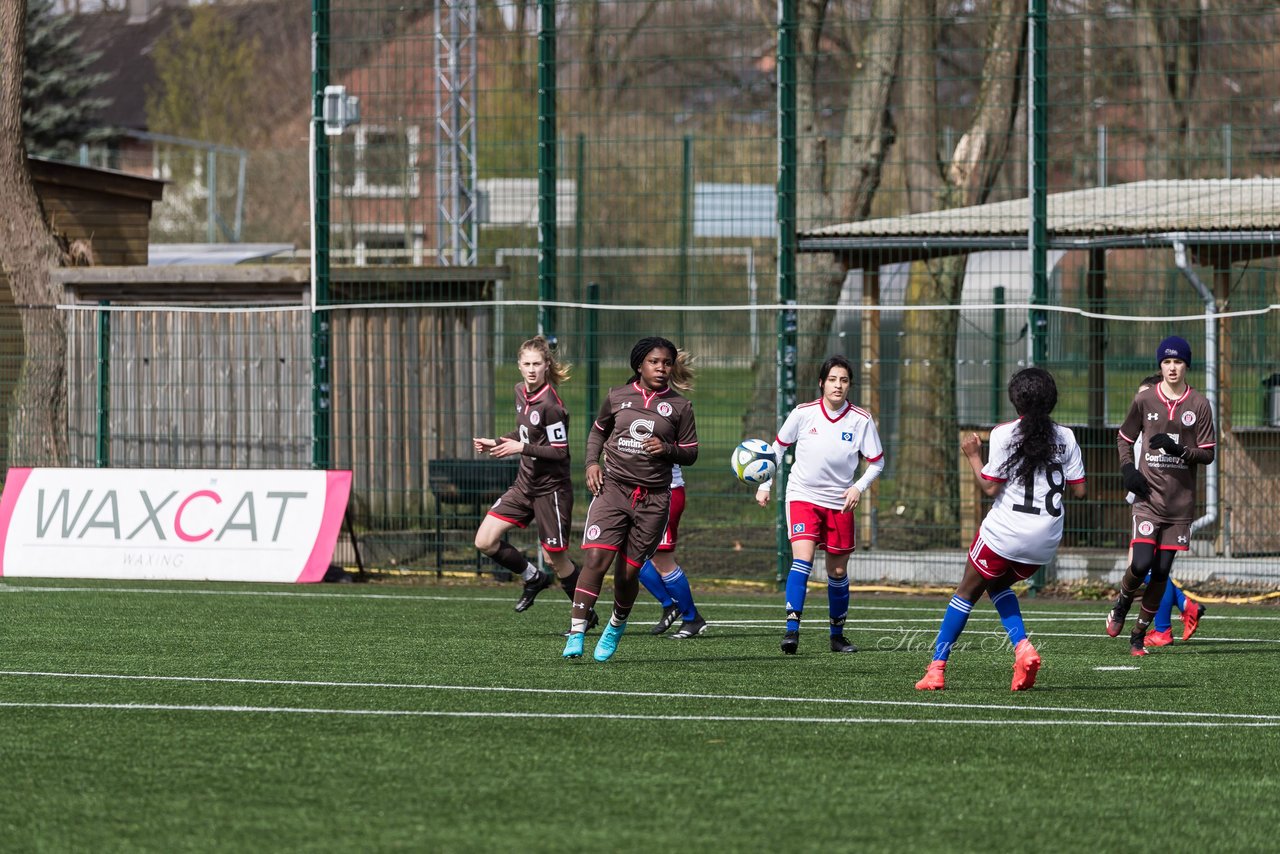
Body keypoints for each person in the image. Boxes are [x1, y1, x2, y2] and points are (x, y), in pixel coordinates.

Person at [915, 367, 1086, 691]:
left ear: (1015, 400)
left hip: (1004, 534)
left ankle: (936, 669)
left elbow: (990, 488)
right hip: (1044, 542)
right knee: (995, 585)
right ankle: (1022, 649)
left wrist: (973, 456)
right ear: (1052, 400)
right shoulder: (1067, 436)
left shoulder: (1005, 433)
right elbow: (1079, 491)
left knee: (966, 592)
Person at [563, 337, 698, 661]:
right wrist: (592, 463)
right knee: (596, 559)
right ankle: (577, 630)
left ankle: (615, 625)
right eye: (655, 362)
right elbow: (597, 431)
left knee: (627, 574)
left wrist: (666, 449)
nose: (662, 368)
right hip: (613, 490)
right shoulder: (617, 396)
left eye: (667, 363)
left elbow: (691, 453)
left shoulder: (680, 407)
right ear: (639, 365)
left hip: (653, 501)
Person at [755, 355, 883, 655]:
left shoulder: (861, 420)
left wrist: (858, 486)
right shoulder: (803, 413)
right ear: (822, 383)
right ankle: (791, 631)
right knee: (803, 560)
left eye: (844, 380)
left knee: (837, 572)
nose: (839, 385)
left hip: (840, 503)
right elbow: (777, 448)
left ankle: (837, 636)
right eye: (833, 379)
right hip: (803, 496)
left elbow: (877, 463)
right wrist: (765, 484)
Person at [472, 336, 595, 628]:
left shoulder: (551, 404)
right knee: (484, 541)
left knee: (556, 559)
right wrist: (497, 442)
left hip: (551, 491)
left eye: (536, 364)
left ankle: (584, 617)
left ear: (546, 366)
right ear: (518, 366)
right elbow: (525, 435)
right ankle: (532, 577)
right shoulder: (520, 393)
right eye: (526, 364)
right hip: (524, 485)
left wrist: (520, 449)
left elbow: (559, 451)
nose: (531, 369)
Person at [1107, 336, 1216, 654]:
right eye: (1167, 362)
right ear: (1160, 365)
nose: (1172, 367)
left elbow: (1207, 454)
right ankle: (1122, 603)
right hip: (1147, 499)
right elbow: (1124, 438)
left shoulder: (1199, 404)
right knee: (1141, 563)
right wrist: (1128, 470)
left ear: (1187, 366)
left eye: (1178, 362)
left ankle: (1139, 634)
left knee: (1163, 571)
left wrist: (1179, 450)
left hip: (1179, 505)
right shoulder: (1145, 401)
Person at [1124, 374, 1207, 648]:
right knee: (1146, 565)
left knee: (1148, 565)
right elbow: (1126, 444)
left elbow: (1200, 453)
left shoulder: (1167, 423)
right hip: (1143, 495)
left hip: (1160, 501)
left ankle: (1166, 624)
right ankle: (1173, 616)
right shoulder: (1140, 424)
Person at [637, 464, 708, 639]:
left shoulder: (670, 435)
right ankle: (671, 604)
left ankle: (692, 618)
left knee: (662, 560)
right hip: (639, 494)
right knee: (632, 557)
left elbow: (688, 452)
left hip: (664, 492)